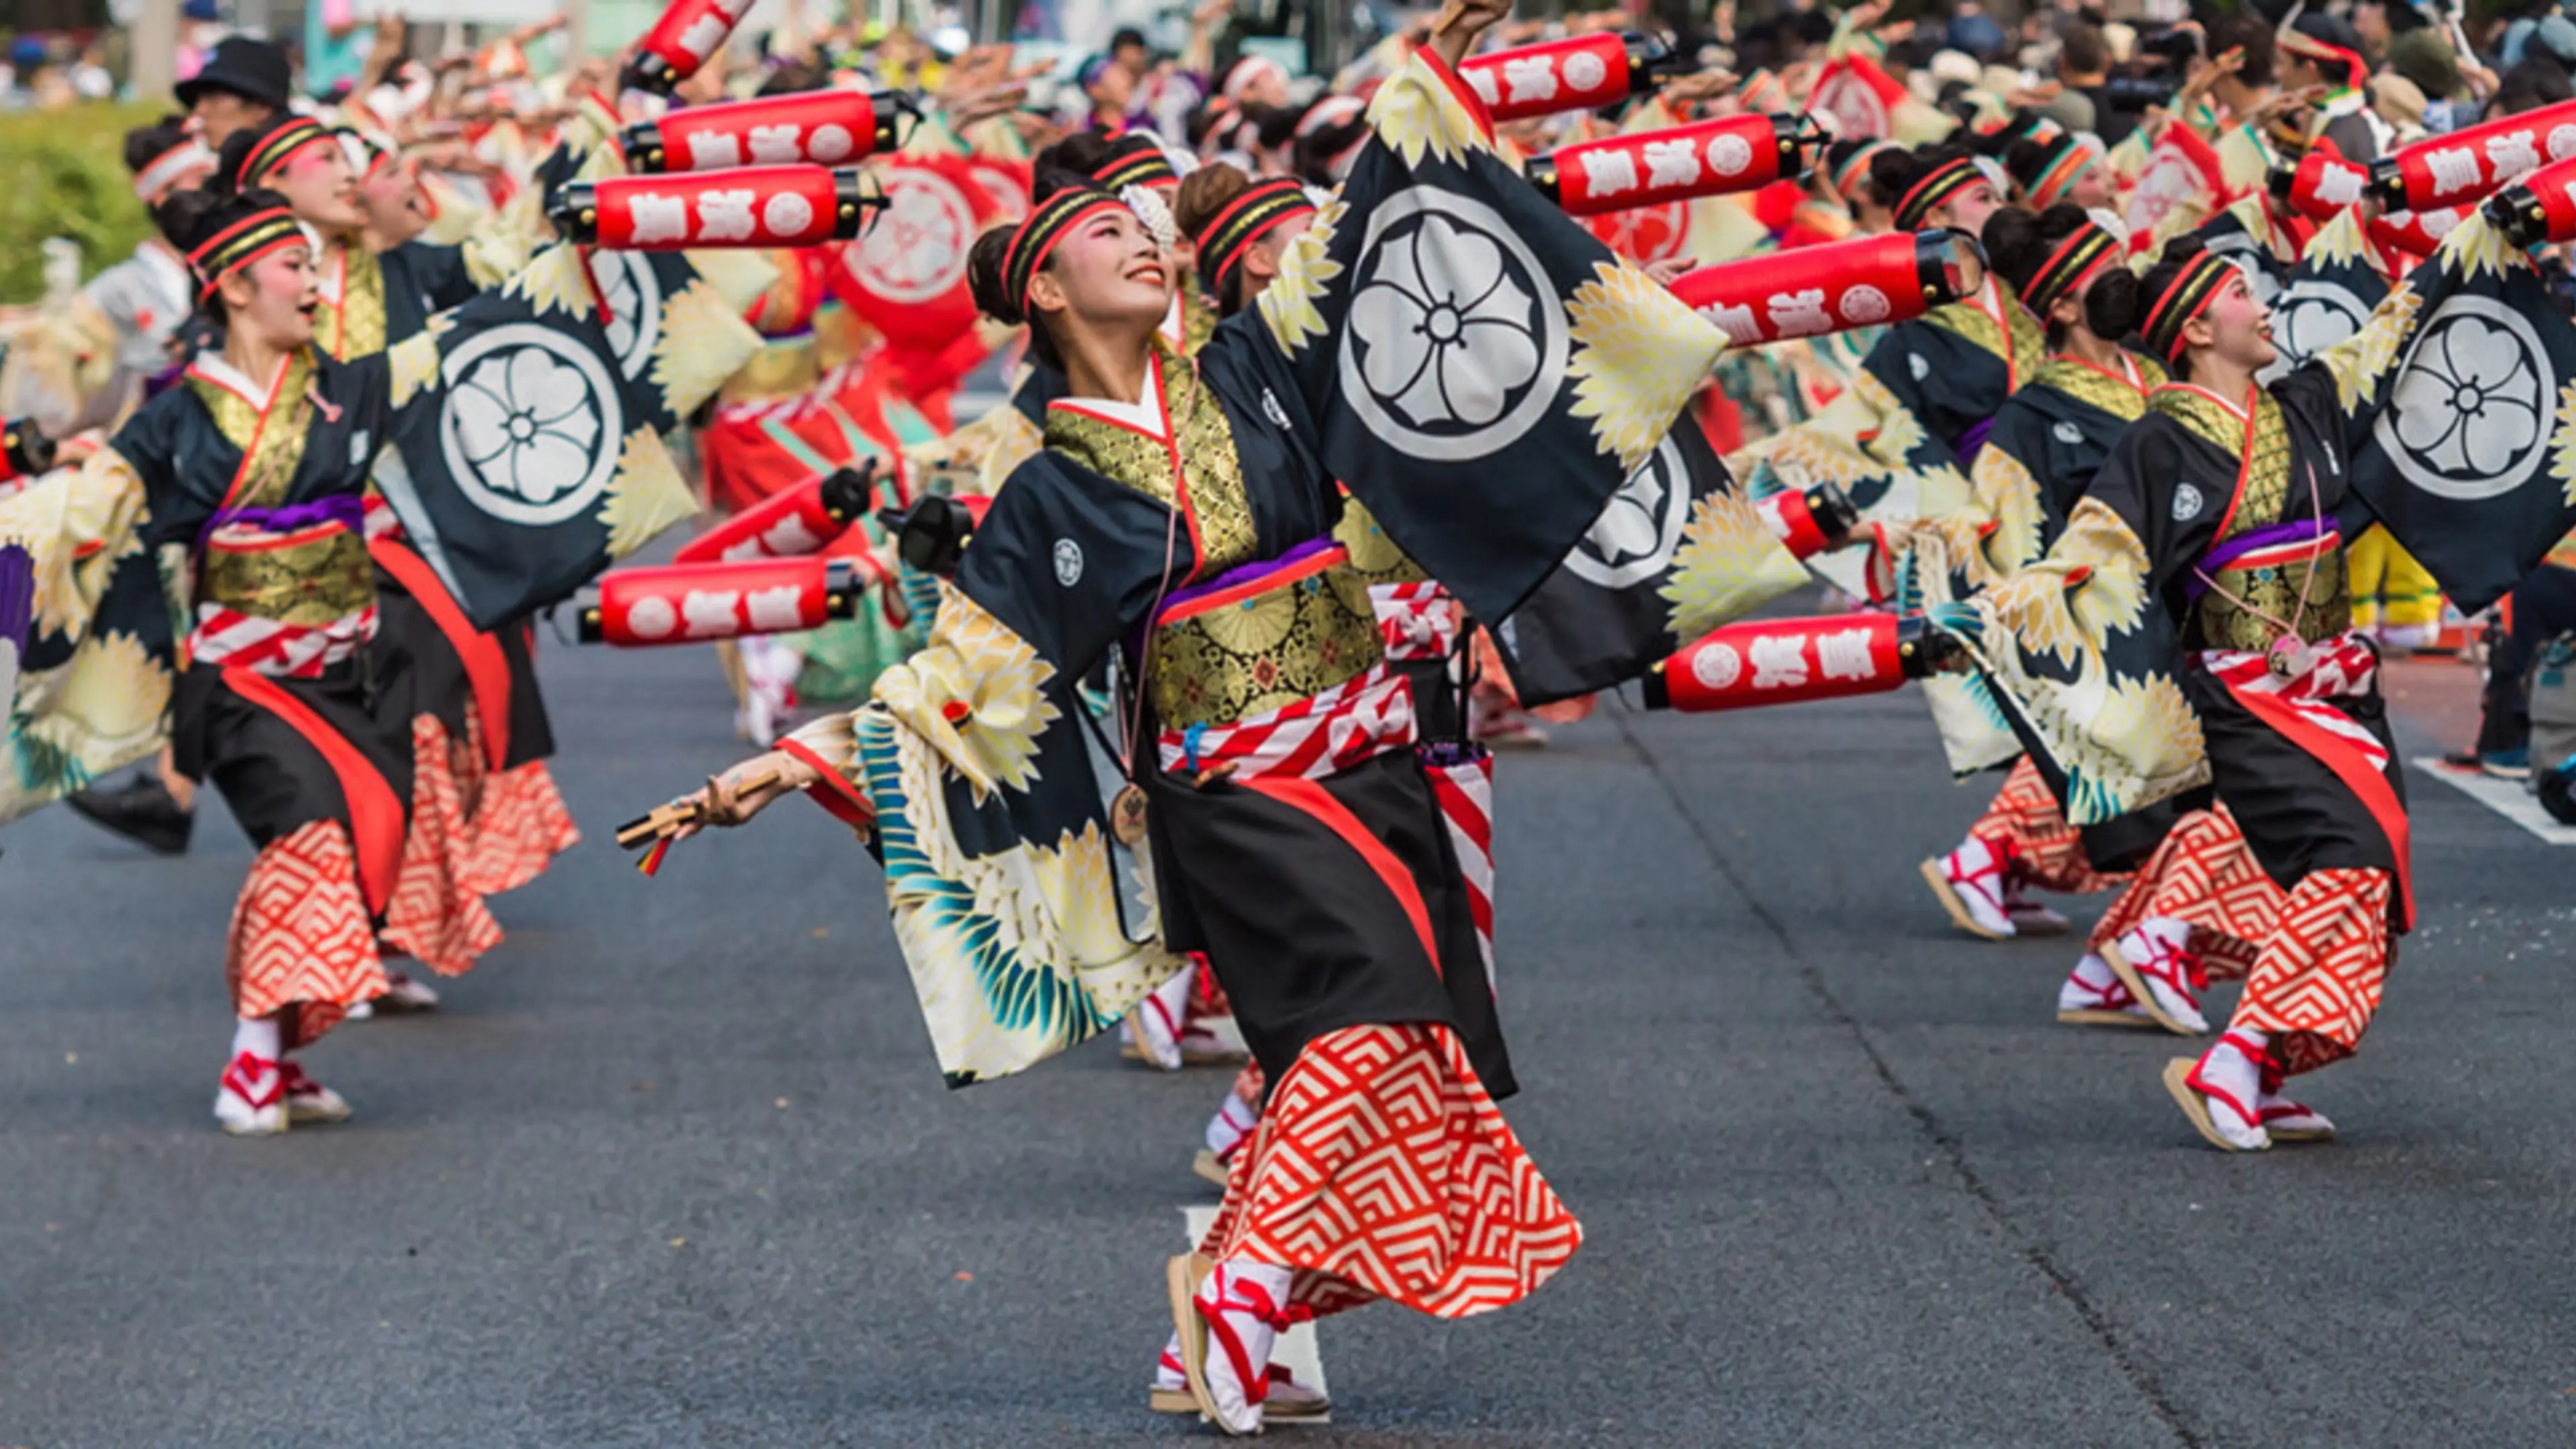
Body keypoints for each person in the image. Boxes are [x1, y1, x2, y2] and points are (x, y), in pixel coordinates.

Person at [665, 0, 1730, 1427]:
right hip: (1233, 790)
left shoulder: (1253, 369)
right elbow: (975, 671)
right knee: (1365, 1021)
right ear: (1044, 288)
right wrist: (791, 758)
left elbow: (1365, 236)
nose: (1145, 243)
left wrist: (1432, 82)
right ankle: (1242, 1296)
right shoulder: (1044, 483)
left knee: (1391, 1056)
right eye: (1107, 234)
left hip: (1371, 752)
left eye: (1151, 229)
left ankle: (1220, 1307)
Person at [175, 36, 292, 151]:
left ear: (262, 108)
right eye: (198, 99)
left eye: (214, 98)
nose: (199, 110)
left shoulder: (298, 168)